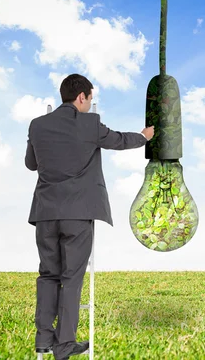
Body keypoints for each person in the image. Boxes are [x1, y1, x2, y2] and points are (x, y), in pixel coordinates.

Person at [25, 73, 154, 359]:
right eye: (89, 99)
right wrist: (144, 137)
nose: (88, 104)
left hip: (45, 214)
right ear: (81, 97)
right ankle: (64, 344)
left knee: (47, 275)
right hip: (78, 213)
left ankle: (43, 340)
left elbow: (30, 164)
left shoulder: (37, 125)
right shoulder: (89, 124)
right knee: (71, 277)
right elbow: (118, 141)